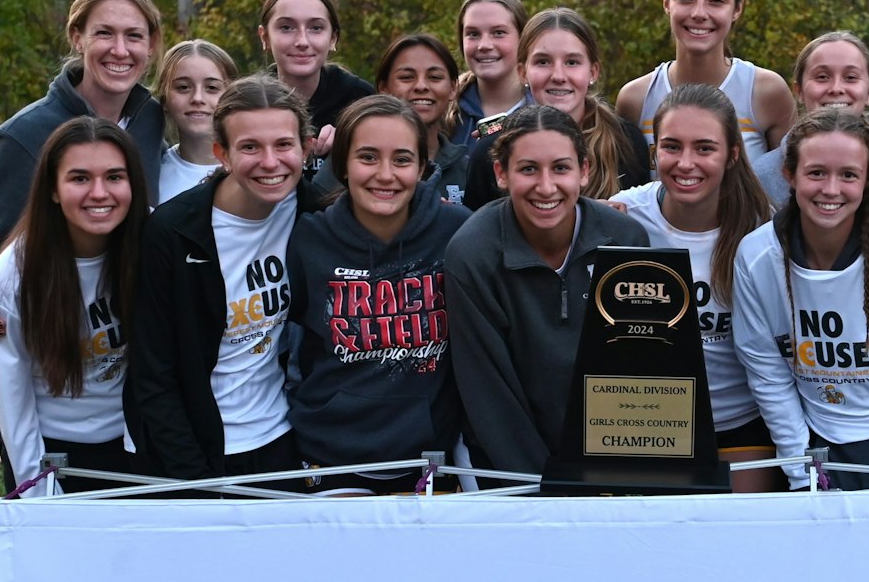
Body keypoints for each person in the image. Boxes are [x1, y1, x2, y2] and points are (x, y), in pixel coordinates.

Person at [732, 108, 869, 490]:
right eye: (816, 173)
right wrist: (800, 474)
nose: (831, 189)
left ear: (867, 181)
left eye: (848, 175)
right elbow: (769, 376)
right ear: (789, 175)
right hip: (810, 441)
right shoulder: (755, 256)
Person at [125, 75, 317, 487]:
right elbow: (152, 374)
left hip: (280, 440)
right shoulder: (173, 233)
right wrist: (194, 480)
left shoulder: (312, 212)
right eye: (250, 147)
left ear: (306, 147)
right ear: (222, 155)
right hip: (194, 451)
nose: (270, 162)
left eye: (284, 145)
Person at [446, 105, 649, 477]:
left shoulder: (625, 240)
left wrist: (619, 472)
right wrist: (545, 490)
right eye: (527, 169)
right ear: (501, 174)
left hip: (609, 460)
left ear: (584, 171)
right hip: (506, 469)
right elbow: (489, 392)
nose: (545, 186)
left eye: (560, 168)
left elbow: (638, 372)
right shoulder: (472, 253)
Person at [284, 95, 471, 492]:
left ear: (422, 167)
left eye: (402, 160)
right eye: (367, 157)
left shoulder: (458, 232)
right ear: (343, 165)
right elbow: (287, 348)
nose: (385, 174)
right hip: (327, 454)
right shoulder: (308, 239)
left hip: (427, 457)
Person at [0, 0, 165, 311]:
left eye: (134, 36)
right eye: (104, 33)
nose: (120, 50)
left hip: (130, 327)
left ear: (151, 45)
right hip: (56, 329)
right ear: (77, 38)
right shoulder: (22, 137)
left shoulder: (151, 119)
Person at [610, 84, 779, 492]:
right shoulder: (622, 217)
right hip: (647, 422)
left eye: (704, 148)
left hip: (739, 422)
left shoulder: (763, 229)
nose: (686, 163)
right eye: (672, 147)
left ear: (733, 154)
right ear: (654, 153)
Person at [0, 117, 149, 494]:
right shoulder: (11, 276)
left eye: (114, 177)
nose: (99, 192)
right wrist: (40, 494)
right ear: (52, 190)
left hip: (136, 441)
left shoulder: (152, 244)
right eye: (79, 178)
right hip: (56, 454)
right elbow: (13, 406)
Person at [616, 0, 795, 161]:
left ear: (737, 8)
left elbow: (789, 185)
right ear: (666, 2)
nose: (699, 12)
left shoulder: (767, 92)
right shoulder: (636, 99)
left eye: (716, 0)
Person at [464, 7, 649, 209]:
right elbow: (478, 233)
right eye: (543, 62)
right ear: (523, 72)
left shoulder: (626, 143)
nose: (558, 76)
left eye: (572, 62)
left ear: (593, 71)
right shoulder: (491, 151)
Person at [257, 0, 374, 187]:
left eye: (316, 28)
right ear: (264, 37)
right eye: (286, 27)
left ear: (333, 39)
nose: (302, 41)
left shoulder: (360, 100)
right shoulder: (250, 104)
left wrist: (352, 141)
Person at [753, 31, 869, 206]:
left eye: (851, 78)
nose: (836, 88)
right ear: (799, 91)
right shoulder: (762, 175)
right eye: (822, 77)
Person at [374, 33, 468, 204]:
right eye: (406, 77)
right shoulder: (356, 160)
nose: (421, 86)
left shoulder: (468, 170)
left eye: (435, 77)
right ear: (384, 88)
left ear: (453, 88)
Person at [446, 0, 531, 157]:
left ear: (522, 38)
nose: (484, 45)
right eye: (473, 34)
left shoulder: (546, 108)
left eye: (498, 33)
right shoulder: (445, 113)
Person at [156, 39, 240, 203]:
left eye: (212, 88)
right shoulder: (152, 173)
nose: (197, 98)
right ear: (165, 99)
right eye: (183, 87)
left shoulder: (252, 168)